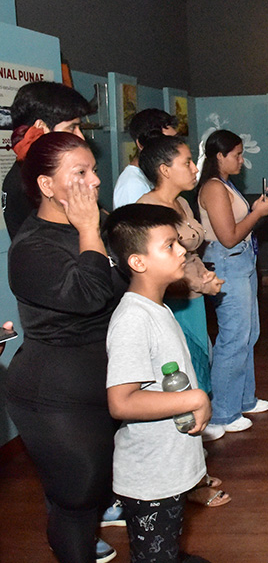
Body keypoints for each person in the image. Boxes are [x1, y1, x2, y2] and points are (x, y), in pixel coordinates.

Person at [6, 131, 122, 563]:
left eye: (94, 170)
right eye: (80, 173)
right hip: (54, 392)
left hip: (103, 381)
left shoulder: (101, 227)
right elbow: (90, 294)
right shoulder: (31, 247)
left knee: (95, 494)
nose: (94, 181)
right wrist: (90, 229)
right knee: (76, 499)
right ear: (46, 185)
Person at [104, 203, 213, 563]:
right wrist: (194, 398)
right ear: (138, 262)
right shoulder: (133, 320)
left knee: (168, 547)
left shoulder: (157, 307)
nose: (182, 250)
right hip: (151, 478)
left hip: (169, 468)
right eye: (169, 245)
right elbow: (122, 402)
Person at [138, 135, 230, 447]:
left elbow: (190, 256)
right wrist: (194, 282)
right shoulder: (147, 209)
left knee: (200, 362)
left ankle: (197, 446)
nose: (195, 168)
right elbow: (149, 269)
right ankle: (188, 450)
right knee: (180, 372)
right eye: (187, 162)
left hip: (192, 300)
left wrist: (204, 278)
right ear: (164, 169)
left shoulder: (182, 202)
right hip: (171, 305)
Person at [198, 129, 268, 434]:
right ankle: (222, 414)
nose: (242, 160)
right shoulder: (214, 188)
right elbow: (228, 237)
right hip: (229, 262)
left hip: (242, 261)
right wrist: (256, 214)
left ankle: (243, 398)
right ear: (219, 156)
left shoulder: (225, 184)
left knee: (248, 332)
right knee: (233, 337)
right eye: (237, 155)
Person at [3, 81, 91, 240]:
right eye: (72, 128)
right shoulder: (26, 182)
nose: (80, 137)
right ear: (41, 128)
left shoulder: (30, 172)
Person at [113, 109, 178, 209]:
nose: (175, 148)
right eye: (165, 142)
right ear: (141, 144)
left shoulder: (152, 175)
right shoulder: (132, 184)